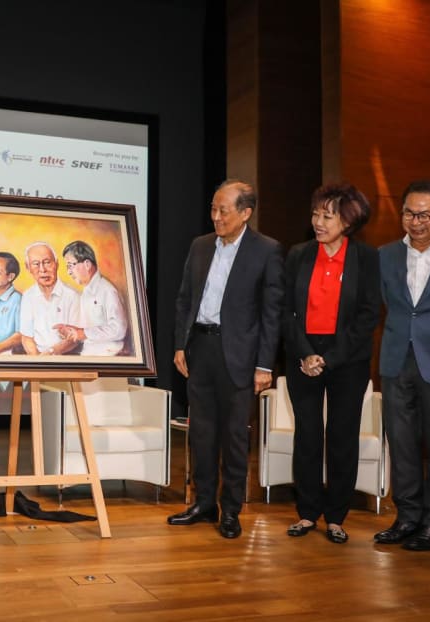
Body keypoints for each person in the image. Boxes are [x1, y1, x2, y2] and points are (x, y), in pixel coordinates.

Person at [168, 179, 284, 538]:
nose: (216, 217)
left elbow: (271, 313)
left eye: (224, 211)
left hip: (240, 356)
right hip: (200, 348)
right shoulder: (201, 246)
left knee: (233, 437)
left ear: (246, 213)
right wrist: (180, 345)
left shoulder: (266, 250)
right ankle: (204, 502)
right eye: (213, 209)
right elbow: (185, 299)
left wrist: (264, 365)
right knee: (201, 433)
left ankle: (230, 509)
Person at [282, 183, 380, 544]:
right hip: (302, 355)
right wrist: (306, 353)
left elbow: (369, 315)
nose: (318, 222)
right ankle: (307, 513)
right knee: (307, 435)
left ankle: (336, 516)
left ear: (348, 222)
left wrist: (331, 357)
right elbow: (286, 311)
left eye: (327, 215)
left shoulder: (366, 259)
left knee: (342, 436)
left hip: (348, 359)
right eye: (315, 214)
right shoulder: (298, 254)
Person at [375, 180, 430, 552]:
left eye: (424, 215)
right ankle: (407, 517)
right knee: (401, 443)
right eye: (408, 213)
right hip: (396, 359)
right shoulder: (385, 254)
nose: (415, 222)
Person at [55, 240, 128, 356]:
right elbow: (89, 330)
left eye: (70, 266)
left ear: (87, 264)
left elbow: (119, 329)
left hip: (110, 356)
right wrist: (73, 332)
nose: (68, 272)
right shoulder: (85, 292)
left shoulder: (108, 291)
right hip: (89, 354)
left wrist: (84, 333)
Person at [19, 242, 82, 355]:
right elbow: (26, 337)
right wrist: (37, 361)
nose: (43, 269)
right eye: (36, 264)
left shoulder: (73, 296)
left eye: (47, 262)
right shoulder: (28, 296)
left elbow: (74, 339)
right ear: (28, 268)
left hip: (66, 357)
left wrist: (50, 353)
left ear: (56, 264)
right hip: (37, 357)